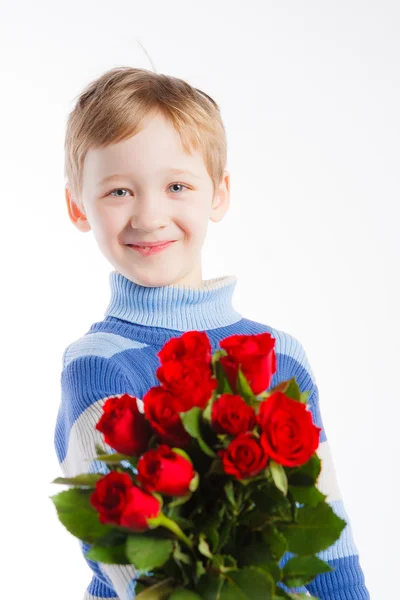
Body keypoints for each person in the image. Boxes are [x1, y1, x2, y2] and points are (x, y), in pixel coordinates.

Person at [53, 66, 370, 600]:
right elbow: (137, 564)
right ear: (77, 206)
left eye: (177, 185)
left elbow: (327, 543)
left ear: (218, 194)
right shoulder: (98, 365)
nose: (150, 215)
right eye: (119, 191)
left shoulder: (279, 358)